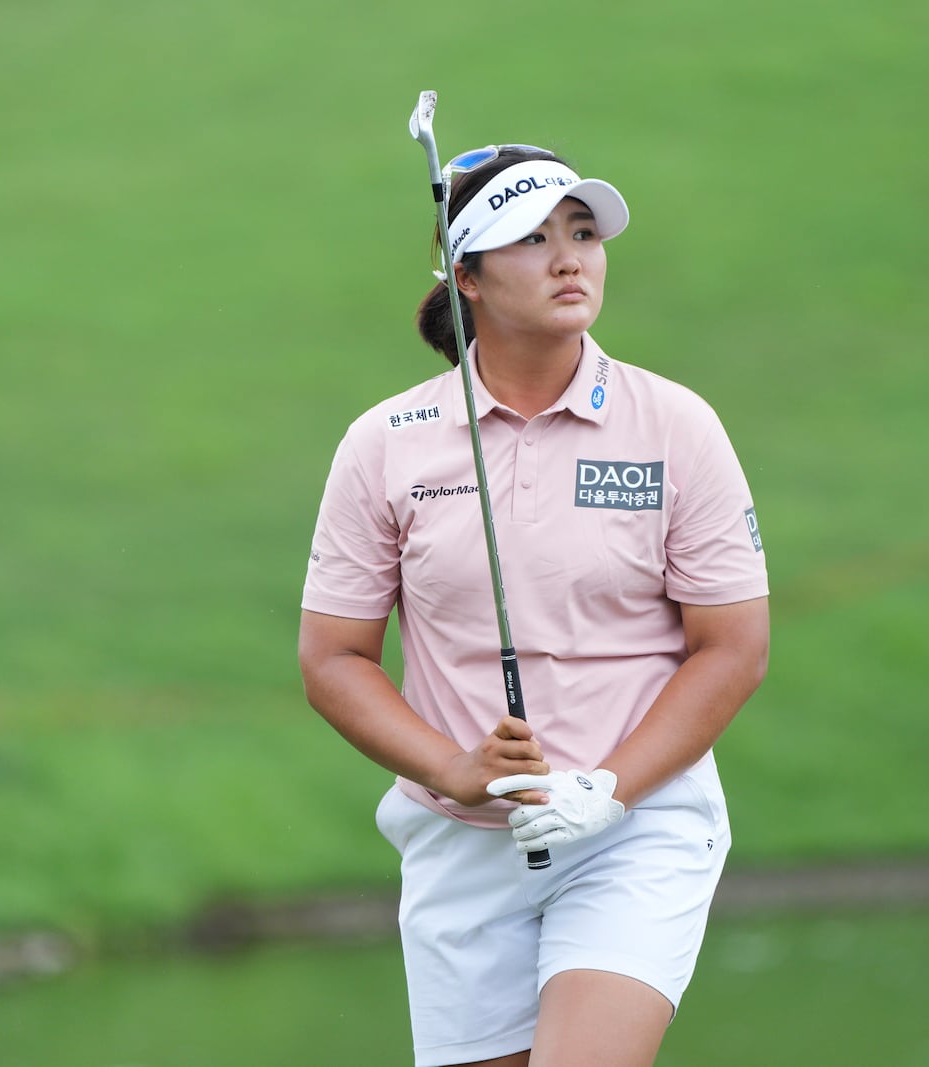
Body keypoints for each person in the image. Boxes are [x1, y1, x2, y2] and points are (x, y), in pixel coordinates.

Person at [298, 144, 770, 1067]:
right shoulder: (384, 444)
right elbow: (333, 660)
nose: (571, 259)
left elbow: (733, 648)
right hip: (459, 843)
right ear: (465, 275)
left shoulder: (675, 425)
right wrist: (456, 768)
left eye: (584, 233)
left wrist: (613, 786)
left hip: (636, 824)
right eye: (533, 238)